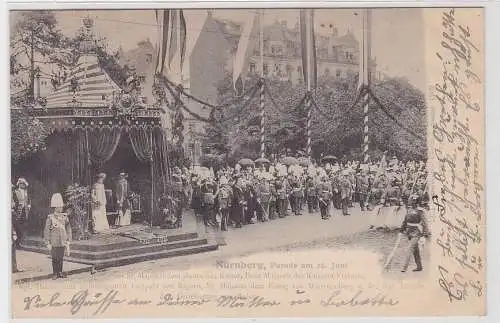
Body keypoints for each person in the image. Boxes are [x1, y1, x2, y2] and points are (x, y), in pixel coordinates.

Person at [44, 193, 72, 279]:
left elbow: (68, 227)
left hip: (62, 240)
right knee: (54, 257)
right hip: (54, 241)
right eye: (59, 207)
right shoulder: (50, 217)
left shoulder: (64, 217)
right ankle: (55, 273)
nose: (61, 208)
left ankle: (60, 272)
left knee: (60, 257)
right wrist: (47, 241)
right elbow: (47, 230)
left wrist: (69, 238)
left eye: (61, 206)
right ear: (55, 207)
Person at [400, 194, 430, 272]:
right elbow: (405, 220)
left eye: (415, 202)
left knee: (409, 249)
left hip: (417, 232)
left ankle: (404, 268)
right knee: (415, 250)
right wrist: (402, 229)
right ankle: (419, 267)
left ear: (417, 202)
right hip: (409, 232)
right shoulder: (409, 210)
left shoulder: (420, 211)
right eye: (412, 201)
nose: (413, 203)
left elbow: (425, 223)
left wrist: (425, 234)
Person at [12, 178, 31, 247]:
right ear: (19, 184)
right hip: (17, 211)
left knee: (23, 227)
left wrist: (29, 205)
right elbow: (13, 200)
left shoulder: (26, 192)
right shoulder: (15, 191)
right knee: (17, 227)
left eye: (23, 184)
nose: (22, 185)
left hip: (25, 211)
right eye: (21, 183)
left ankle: (18, 242)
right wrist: (13, 208)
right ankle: (16, 242)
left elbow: (29, 200)